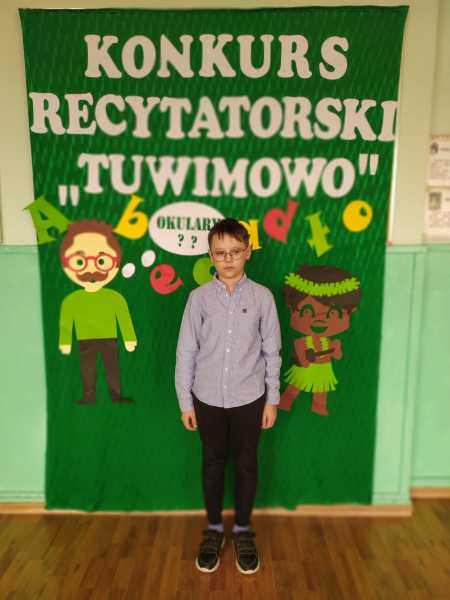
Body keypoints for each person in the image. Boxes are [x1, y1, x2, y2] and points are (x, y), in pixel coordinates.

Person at [175, 218, 281, 575]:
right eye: (220, 253)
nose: (228, 259)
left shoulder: (263, 297)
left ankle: (243, 531)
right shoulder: (199, 299)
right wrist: (186, 402)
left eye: (235, 251)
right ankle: (214, 530)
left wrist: (272, 399)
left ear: (248, 252)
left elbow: (272, 351)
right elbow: (186, 352)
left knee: (247, 464)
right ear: (210, 256)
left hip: (250, 398)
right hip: (206, 398)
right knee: (212, 463)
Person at [59, 219, 137, 404]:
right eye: (80, 262)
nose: (91, 268)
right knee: (88, 369)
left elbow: (124, 318)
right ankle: (89, 396)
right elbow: (66, 321)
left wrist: (129, 338)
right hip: (85, 339)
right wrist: (65, 342)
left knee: (112, 367)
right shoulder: (72, 300)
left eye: (102, 261)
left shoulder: (115, 297)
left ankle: (116, 395)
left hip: (109, 338)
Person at [279, 264, 360, 415]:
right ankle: (285, 402)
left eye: (333, 313)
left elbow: (338, 356)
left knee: (321, 389)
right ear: (291, 309)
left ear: (350, 312)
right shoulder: (302, 342)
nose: (320, 320)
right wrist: (304, 359)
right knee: (295, 386)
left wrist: (336, 349)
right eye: (307, 311)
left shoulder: (329, 342)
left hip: (323, 369)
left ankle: (319, 406)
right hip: (306, 370)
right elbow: (302, 358)